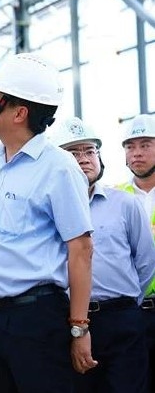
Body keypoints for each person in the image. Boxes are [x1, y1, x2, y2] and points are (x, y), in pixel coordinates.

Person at [0, 53, 96, 392]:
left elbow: (81, 250)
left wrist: (79, 328)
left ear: (19, 113)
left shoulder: (58, 167)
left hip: (35, 319)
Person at [51, 116, 155, 392]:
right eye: (73, 153)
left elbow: (145, 263)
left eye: (89, 151)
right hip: (69, 321)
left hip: (122, 320)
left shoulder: (125, 204)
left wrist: (127, 304)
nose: (83, 158)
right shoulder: (45, 211)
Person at [116, 113, 155, 389]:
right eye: (130, 146)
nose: (137, 153)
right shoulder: (114, 197)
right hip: (131, 313)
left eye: (145, 145)